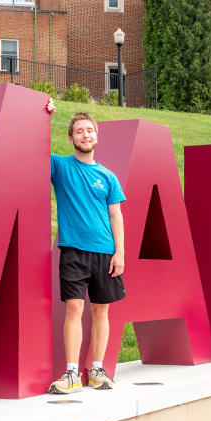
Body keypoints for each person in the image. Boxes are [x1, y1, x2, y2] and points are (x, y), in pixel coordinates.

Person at [45, 101, 127, 394]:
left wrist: (120, 253)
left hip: (105, 252)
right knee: (75, 308)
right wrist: (46, 117)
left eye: (89, 130)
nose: (85, 135)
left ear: (96, 136)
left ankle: (97, 370)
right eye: (79, 131)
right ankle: (71, 374)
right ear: (71, 138)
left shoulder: (108, 177)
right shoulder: (61, 166)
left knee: (101, 311)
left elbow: (116, 215)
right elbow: (36, 149)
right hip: (73, 251)